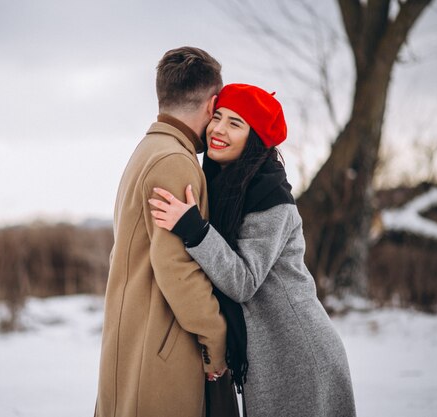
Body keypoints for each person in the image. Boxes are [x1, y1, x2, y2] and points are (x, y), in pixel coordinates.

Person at [149, 83, 357, 417]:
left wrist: (194, 229)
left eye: (235, 123)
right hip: (270, 352)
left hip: (299, 353)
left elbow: (243, 282)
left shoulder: (271, 199)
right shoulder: (222, 187)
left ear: (254, 139)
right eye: (217, 117)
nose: (218, 129)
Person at [95, 47, 233, 417]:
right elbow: (178, 269)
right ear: (212, 102)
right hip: (158, 357)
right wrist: (216, 339)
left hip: (135, 347)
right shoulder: (175, 160)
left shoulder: (148, 149)